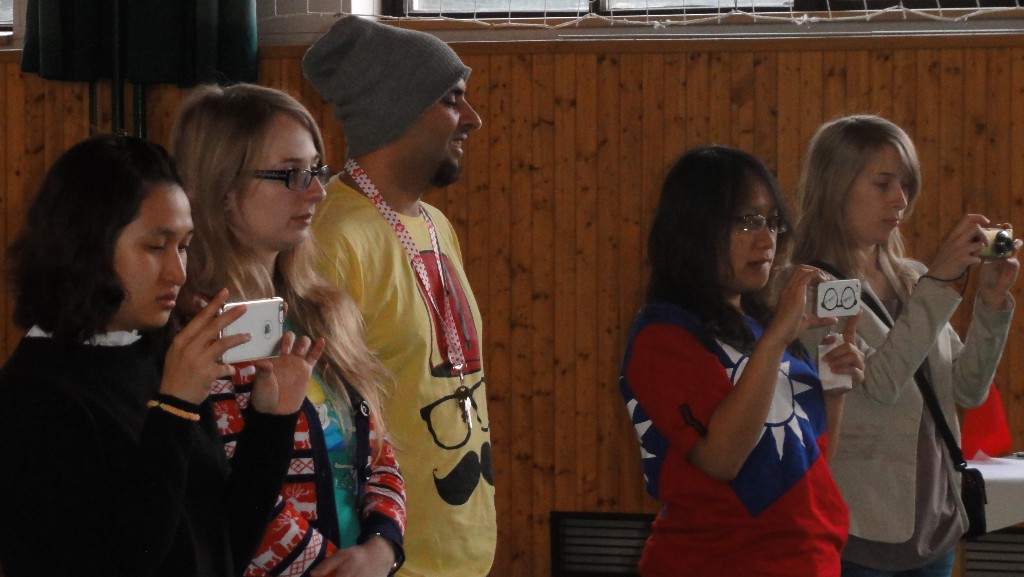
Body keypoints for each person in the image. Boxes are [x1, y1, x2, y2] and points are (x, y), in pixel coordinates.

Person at [0, 134, 317, 577]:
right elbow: (124, 563)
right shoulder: (34, 396)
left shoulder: (155, 354)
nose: (177, 271)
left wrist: (271, 422)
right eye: (155, 246)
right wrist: (174, 408)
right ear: (87, 245)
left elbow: (222, 548)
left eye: (183, 245)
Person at [170, 83, 406, 577]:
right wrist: (329, 569)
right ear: (223, 190)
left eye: (317, 170)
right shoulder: (201, 333)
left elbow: (378, 453)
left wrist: (381, 546)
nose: (318, 191)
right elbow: (233, 492)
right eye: (291, 174)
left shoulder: (323, 310)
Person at [301, 15, 494, 577]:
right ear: (397, 109)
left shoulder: (436, 224)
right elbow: (319, 424)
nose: (472, 118)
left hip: (462, 549)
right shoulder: (335, 238)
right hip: (387, 558)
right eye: (451, 99)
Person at [792, 114, 1019, 577]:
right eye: (883, 184)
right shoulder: (812, 286)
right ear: (835, 186)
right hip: (861, 530)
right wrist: (939, 286)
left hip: (934, 525)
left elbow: (968, 389)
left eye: (907, 185)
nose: (900, 199)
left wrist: (991, 303)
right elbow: (877, 386)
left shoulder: (912, 277)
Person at [620, 145, 864, 577]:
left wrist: (834, 391)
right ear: (696, 228)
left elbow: (810, 465)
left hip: (809, 560)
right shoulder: (664, 334)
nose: (767, 240)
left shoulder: (760, 326)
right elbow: (721, 458)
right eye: (748, 221)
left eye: (772, 221)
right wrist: (777, 339)